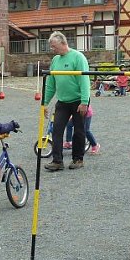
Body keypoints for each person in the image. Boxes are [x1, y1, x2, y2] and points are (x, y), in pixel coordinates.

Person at [42, 31, 90, 171]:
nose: (53, 49)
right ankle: (57, 161)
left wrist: (84, 101)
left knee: (79, 131)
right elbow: (51, 84)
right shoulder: (55, 60)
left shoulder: (78, 57)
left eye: (54, 46)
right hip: (62, 101)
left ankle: (78, 159)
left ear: (63, 43)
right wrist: (44, 103)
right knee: (57, 130)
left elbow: (84, 81)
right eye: (51, 46)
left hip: (78, 100)